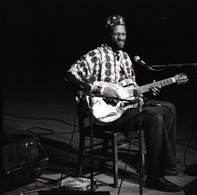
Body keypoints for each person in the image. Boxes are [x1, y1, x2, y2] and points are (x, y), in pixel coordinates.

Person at [65, 15, 182, 192]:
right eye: (117, 34)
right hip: (109, 115)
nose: (121, 38)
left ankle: (165, 165)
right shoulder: (96, 55)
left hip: (125, 108)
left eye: (124, 34)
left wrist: (145, 93)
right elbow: (70, 75)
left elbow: (131, 89)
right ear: (107, 35)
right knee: (154, 118)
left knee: (169, 108)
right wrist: (101, 90)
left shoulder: (126, 58)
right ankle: (155, 177)